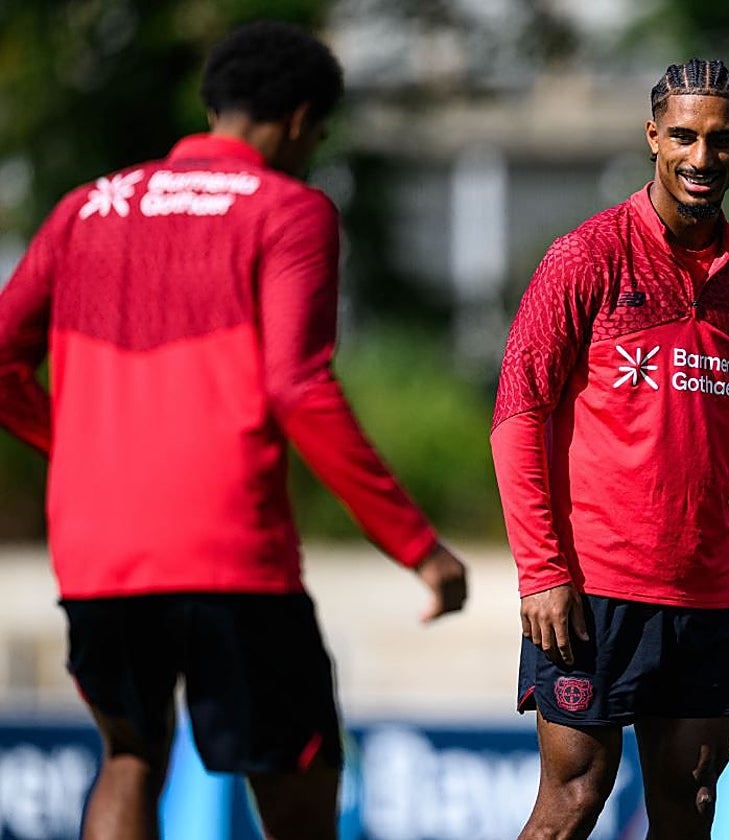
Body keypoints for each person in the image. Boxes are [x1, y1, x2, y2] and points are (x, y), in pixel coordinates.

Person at [0, 21, 467, 840]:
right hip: (229, 553)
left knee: (130, 759)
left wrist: (76, 449)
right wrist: (417, 545)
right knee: (300, 779)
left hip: (99, 552)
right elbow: (300, 387)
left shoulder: (85, 208)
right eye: (317, 133)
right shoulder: (290, 211)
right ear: (298, 121)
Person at [491, 59, 729, 839]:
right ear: (653, 137)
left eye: (720, 140)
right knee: (573, 803)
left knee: (689, 810)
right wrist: (543, 572)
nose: (702, 157)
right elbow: (516, 417)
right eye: (684, 136)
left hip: (701, 599)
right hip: (590, 594)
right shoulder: (585, 257)